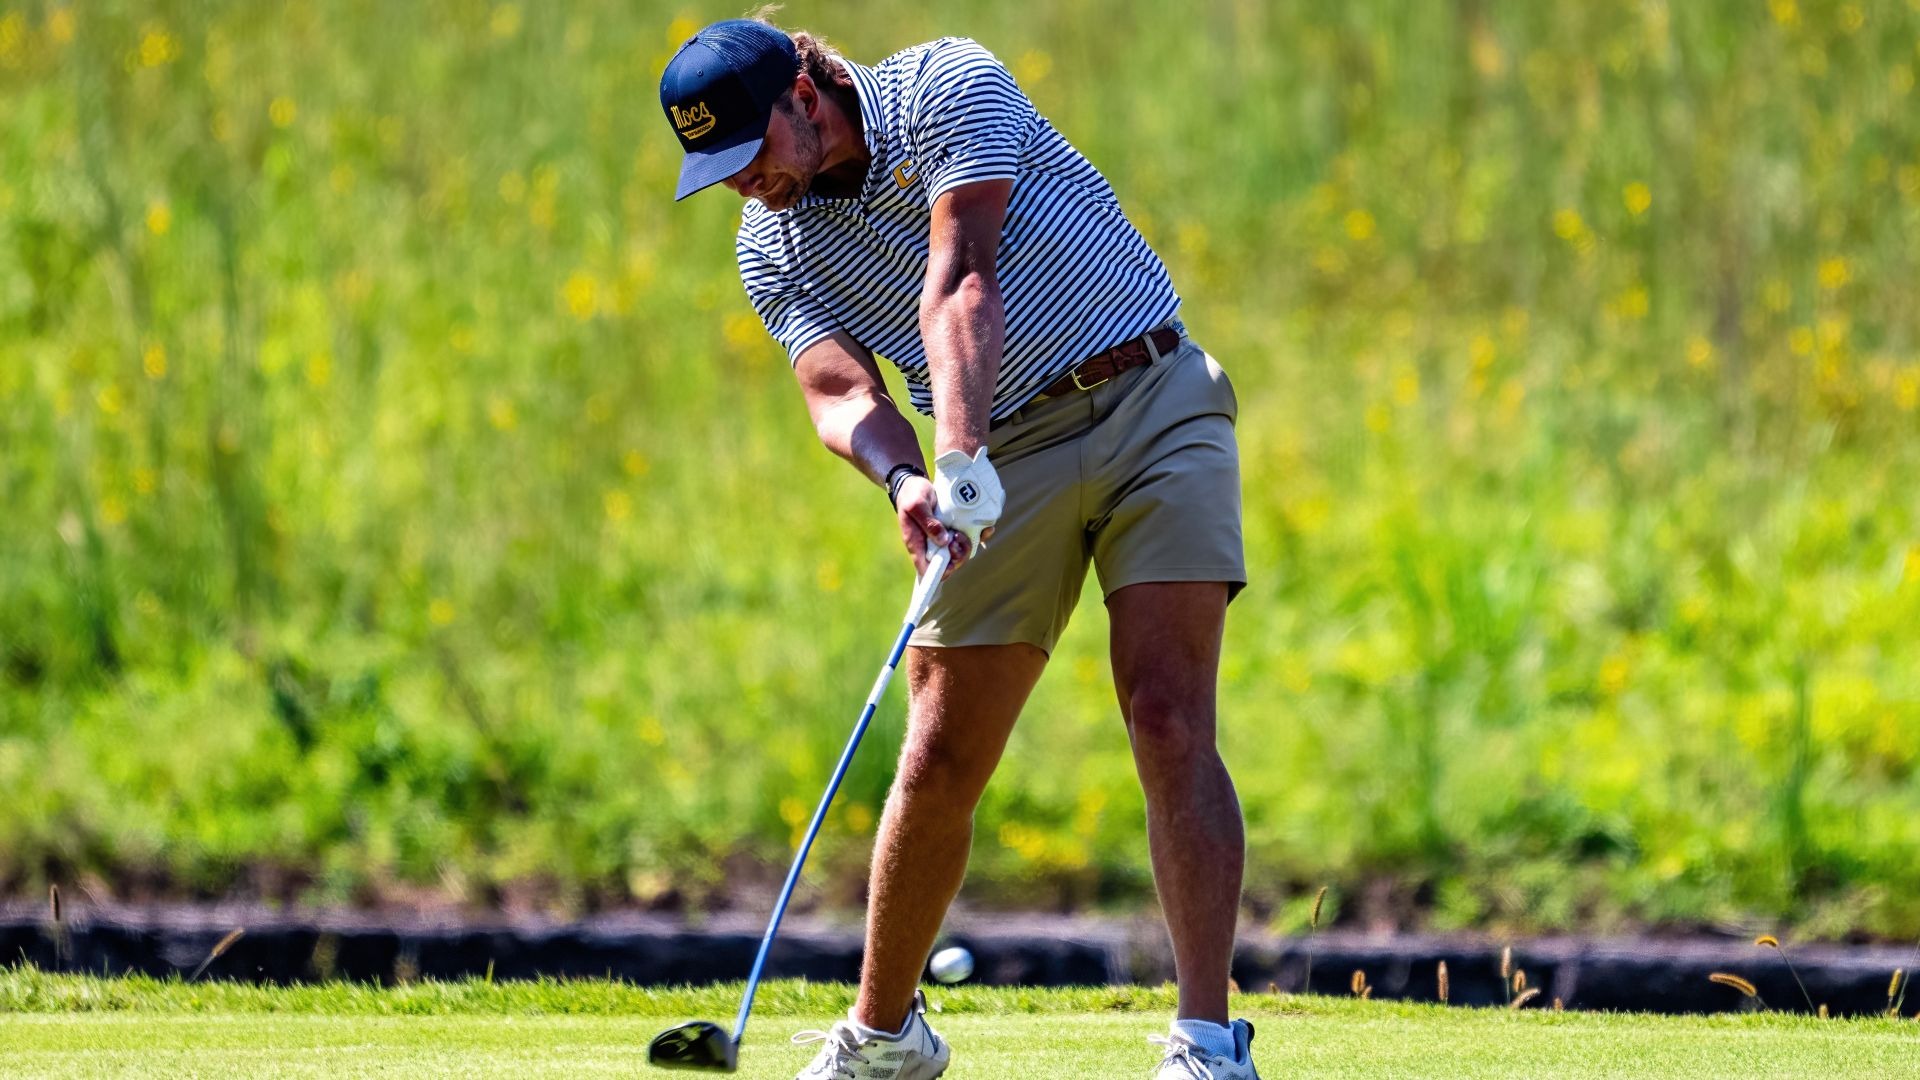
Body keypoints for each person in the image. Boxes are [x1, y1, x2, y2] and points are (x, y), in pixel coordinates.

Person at [660, 16, 1258, 1079]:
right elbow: (839, 390)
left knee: (1167, 714)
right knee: (938, 753)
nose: (742, 184)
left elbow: (961, 274)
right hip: (993, 459)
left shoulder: (946, 83)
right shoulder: (771, 245)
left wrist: (957, 445)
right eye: (718, 170)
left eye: (750, 151)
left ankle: (1207, 1043)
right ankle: (886, 1038)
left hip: (1150, 400)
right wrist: (909, 479)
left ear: (805, 92)